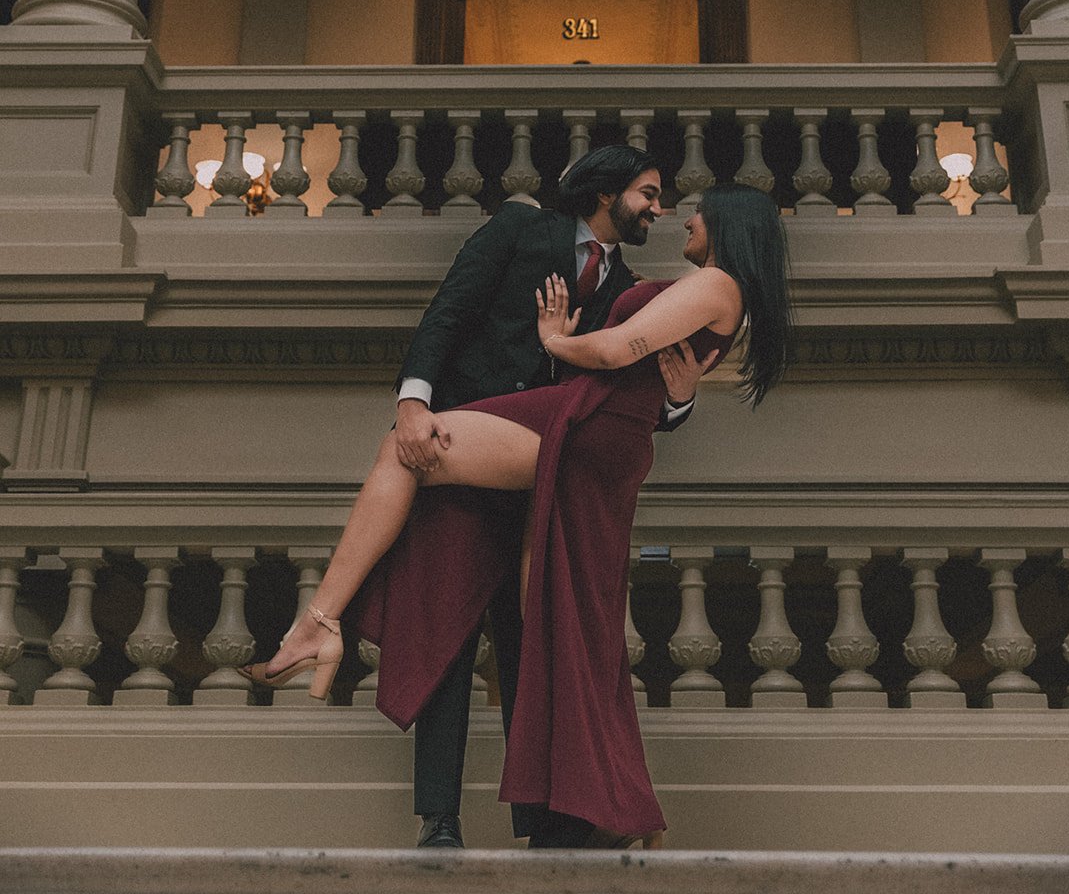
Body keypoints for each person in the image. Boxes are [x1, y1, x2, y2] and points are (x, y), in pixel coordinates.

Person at [241, 183, 791, 849]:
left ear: (729, 223)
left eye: (697, 207)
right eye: (653, 193)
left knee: (407, 449)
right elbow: (463, 316)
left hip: (585, 423)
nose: (680, 214)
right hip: (591, 428)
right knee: (561, 623)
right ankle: (600, 809)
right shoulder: (682, 279)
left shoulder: (716, 285)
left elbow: (621, 353)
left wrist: (557, 340)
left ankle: (317, 626)